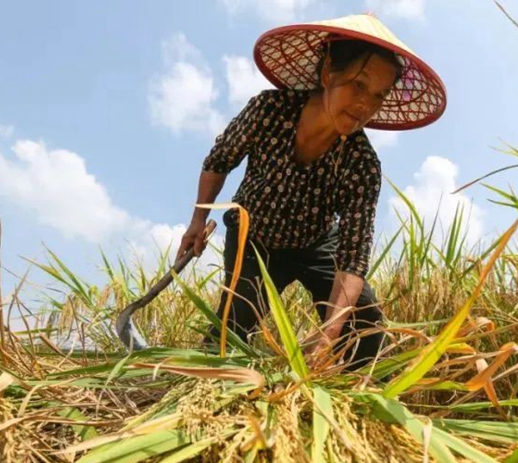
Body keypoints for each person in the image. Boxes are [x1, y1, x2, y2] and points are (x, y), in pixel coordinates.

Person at [175, 13, 446, 370]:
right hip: (253, 239)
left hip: (314, 244)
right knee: (233, 331)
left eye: (378, 95)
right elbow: (219, 159)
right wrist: (198, 221)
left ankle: (350, 401)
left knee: (365, 330)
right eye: (359, 85)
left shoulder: (361, 165)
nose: (366, 104)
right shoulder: (269, 110)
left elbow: (353, 260)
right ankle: (199, 377)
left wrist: (328, 337)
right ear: (328, 73)